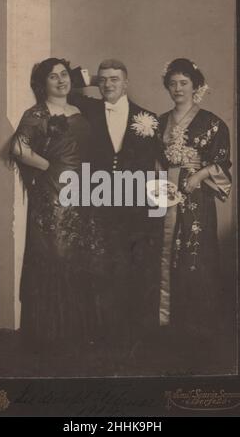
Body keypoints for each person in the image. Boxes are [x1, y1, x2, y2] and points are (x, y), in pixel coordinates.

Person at [10, 58, 105, 355]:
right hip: (54, 193)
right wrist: (48, 165)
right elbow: (17, 147)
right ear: (43, 84)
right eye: (53, 77)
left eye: (64, 75)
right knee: (57, 254)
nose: (61, 80)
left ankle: (79, 334)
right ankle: (52, 338)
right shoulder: (37, 113)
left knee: (79, 254)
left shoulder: (79, 109)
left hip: (83, 191)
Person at [71, 59, 162, 363]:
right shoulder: (89, 109)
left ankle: (134, 338)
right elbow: (66, 92)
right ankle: (105, 336)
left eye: (114, 79)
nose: (108, 85)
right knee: (104, 269)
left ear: (126, 82)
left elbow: (153, 167)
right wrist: (79, 77)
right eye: (104, 80)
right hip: (99, 201)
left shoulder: (147, 118)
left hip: (135, 207)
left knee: (135, 269)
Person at [157, 58, 232, 340]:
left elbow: (222, 165)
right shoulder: (160, 122)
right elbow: (153, 161)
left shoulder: (213, 123)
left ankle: (198, 326)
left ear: (195, 86)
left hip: (195, 197)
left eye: (184, 83)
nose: (178, 88)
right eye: (173, 83)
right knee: (165, 255)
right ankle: (166, 323)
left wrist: (198, 175)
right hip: (164, 195)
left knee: (195, 254)